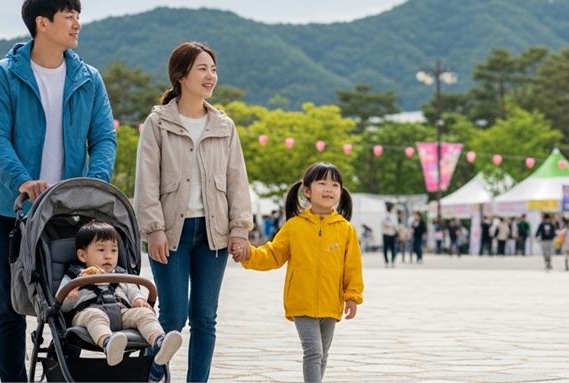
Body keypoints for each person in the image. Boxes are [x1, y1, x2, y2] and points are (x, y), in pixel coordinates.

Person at [0, 0, 116, 382]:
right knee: (10, 304)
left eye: (78, 13)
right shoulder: (4, 74)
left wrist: (95, 185)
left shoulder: (89, 78)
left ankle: (63, 374)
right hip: (13, 208)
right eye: (68, 14)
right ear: (42, 23)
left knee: (70, 299)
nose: (77, 22)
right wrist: (23, 180)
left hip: (71, 211)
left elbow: (104, 137)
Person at [134, 41, 253, 383]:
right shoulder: (158, 123)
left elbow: (236, 180)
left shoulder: (224, 125)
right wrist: (154, 228)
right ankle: (151, 372)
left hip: (213, 234)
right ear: (181, 75)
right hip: (171, 232)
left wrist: (239, 228)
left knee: (205, 319)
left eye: (213, 69)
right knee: (172, 317)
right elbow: (146, 180)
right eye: (202, 68)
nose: (210, 76)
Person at [241, 162, 364, 383]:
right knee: (314, 352)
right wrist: (248, 255)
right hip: (301, 302)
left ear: (341, 191)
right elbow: (272, 255)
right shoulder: (294, 226)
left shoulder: (346, 229)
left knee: (323, 354)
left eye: (335, 184)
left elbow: (352, 267)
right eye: (322, 183)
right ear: (307, 190)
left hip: (331, 302)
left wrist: (352, 297)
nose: (329, 189)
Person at [57, 221, 183, 367]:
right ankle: (109, 343)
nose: (108, 256)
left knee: (144, 314)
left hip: (121, 313)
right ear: (82, 255)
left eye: (113, 250)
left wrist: (139, 300)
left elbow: (133, 291)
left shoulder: (121, 275)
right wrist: (71, 293)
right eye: (101, 250)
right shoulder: (74, 276)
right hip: (87, 314)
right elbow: (61, 306)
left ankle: (159, 342)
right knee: (94, 316)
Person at [380, 203, 398, 267]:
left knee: (393, 248)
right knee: (385, 248)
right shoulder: (384, 215)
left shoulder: (393, 215)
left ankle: (393, 261)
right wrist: (390, 224)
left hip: (392, 234)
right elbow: (383, 222)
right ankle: (386, 261)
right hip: (386, 234)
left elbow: (395, 224)